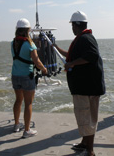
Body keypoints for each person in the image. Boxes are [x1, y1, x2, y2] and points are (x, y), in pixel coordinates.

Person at [54, 11, 105, 156]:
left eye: (72, 25)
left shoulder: (85, 39)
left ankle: (90, 151)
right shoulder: (83, 39)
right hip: (86, 87)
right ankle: (84, 143)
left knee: (87, 119)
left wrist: (72, 65)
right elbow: (72, 57)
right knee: (85, 119)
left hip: (87, 88)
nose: (72, 29)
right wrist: (57, 49)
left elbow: (92, 56)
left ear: (77, 25)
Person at [11, 18, 47, 138]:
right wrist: (44, 69)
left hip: (15, 76)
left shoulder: (13, 43)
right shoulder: (30, 44)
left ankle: (16, 125)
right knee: (28, 103)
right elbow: (36, 61)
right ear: (28, 30)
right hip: (27, 76)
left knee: (18, 100)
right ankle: (27, 130)